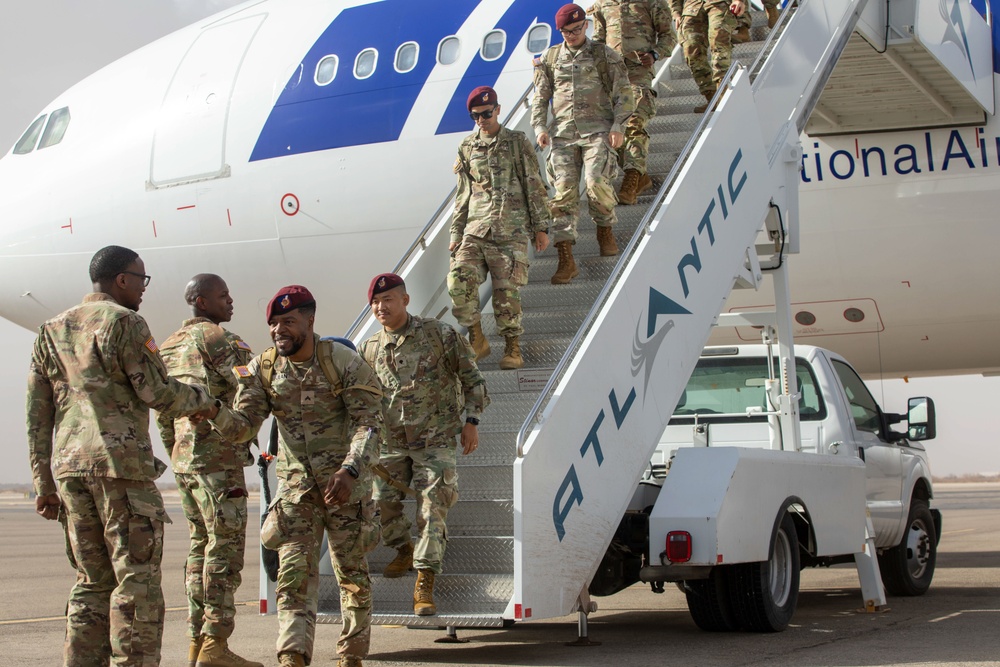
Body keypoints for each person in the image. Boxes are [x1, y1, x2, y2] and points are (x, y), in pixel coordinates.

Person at [26, 245, 216, 666]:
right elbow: (157, 391)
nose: (144, 289)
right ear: (122, 280)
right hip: (120, 469)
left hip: (71, 471)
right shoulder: (125, 323)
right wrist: (205, 400)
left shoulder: (51, 328)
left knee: (91, 582)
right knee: (138, 584)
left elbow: (37, 414)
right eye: (141, 280)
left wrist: (44, 483)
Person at [205, 285, 383, 667]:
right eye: (273, 324)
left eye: (288, 322)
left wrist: (350, 469)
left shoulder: (342, 361)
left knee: (352, 576)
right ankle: (292, 657)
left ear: (310, 320)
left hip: (345, 488)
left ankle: (351, 656)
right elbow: (243, 426)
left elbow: (369, 424)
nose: (278, 331)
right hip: (297, 492)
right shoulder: (263, 368)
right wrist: (211, 411)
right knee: (293, 579)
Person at [359, 273, 489, 616]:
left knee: (433, 508)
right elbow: (362, 398)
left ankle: (425, 581)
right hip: (390, 442)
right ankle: (401, 549)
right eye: (375, 302)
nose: (380, 307)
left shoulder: (439, 334)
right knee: (383, 506)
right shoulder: (369, 348)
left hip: (436, 439)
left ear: (405, 300)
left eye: (387, 300)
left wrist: (471, 422)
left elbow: (472, 379)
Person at [155, 274, 260, 667]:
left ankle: (196, 643)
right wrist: (244, 430)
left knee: (199, 548)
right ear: (201, 301)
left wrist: (178, 452)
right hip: (219, 459)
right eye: (223, 296)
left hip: (185, 463)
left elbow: (163, 409)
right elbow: (250, 388)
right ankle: (216, 643)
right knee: (225, 550)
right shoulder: (220, 340)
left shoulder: (166, 346)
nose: (230, 302)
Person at [449, 85, 551, 370]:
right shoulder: (467, 147)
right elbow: (463, 194)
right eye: (475, 116)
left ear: (497, 109)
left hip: (511, 229)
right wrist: (456, 233)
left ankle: (512, 347)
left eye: (486, 113)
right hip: (476, 228)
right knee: (458, 279)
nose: (482, 120)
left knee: (506, 293)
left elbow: (534, 184)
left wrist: (540, 227)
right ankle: (477, 336)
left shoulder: (517, 142)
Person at [532, 3, 635, 283]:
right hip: (563, 135)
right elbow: (540, 98)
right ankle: (566, 258)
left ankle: (604, 228)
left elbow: (624, 93)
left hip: (597, 132)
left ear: (586, 26)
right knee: (563, 194)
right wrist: (540, 127)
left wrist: (618, 126)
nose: (572, 35)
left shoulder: (604, 55)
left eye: (577, 29)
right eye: (567, 31)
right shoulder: (551, 58)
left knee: (594, 182)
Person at [590, 0, 676, 205]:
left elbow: (668, 35)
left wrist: (655, 54)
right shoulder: (602, 4)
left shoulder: (652, 2)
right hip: (611, 77)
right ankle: (641, 176)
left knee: (635, 122)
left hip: (639, 73)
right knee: (609, 129)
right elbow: (598, 41)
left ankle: (631, 180)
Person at [670, 0, 747, 113]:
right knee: (691, 51)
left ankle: (724, 95)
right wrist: (676, 13)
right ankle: (712, 98)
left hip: (720, 4)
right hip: (692, 7)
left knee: (719, 43)